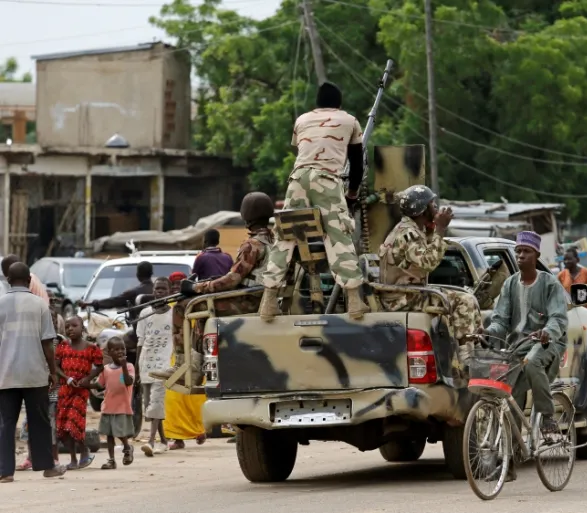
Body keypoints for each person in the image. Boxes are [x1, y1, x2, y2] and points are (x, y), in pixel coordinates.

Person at [258, 81, 369, 322]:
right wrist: (351, 194)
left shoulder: (302, 120)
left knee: (285, 236)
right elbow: (357, 165)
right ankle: (354, 301)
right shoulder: (349, 120)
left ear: (317, 104)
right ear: (339, 103)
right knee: (338, 235)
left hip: (297, 179)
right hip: (327, 180)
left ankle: (268, 301)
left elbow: (302, 151)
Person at [152, 192, 275, 385]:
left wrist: (199, 287)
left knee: (184, 306)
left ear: (246, 215)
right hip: (259, 298)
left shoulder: (252, 245)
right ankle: (194, 368)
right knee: (202, 309)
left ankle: (184, 367)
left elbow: (233, 280)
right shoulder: (274, 241)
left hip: (247, 301)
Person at [378, 185, 483, 367]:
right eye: (431, 204)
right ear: (421, 210)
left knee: (469, 297)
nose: (435, 207)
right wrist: (441, 229)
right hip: (402, 299)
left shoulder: (411, 229)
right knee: (463, 300)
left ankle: (475, 347)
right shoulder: (407, 234)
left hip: (409, 293)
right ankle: (467, 361)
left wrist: (433, 228)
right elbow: (428, 262)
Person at [483, 231, 568, 434]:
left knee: (531, 362)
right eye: (518, 251)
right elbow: (500, 321)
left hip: (548, 343)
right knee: (512, 390)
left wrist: (548, 331)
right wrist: (487, 332)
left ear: (536, 255)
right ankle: (513, 448)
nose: (521, 255)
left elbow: (558, 317)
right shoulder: (510, 284)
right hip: (518, 345)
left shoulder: (549, 283)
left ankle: (547, 416)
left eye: (526, 251)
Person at [0, 262, 67, 482]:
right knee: (40, 421)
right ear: (29, 280)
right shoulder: (40, 304)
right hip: (34, 372)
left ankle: (5, 471)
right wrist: (53, 371)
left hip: (6, 373)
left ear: (7, 280)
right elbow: (48, 342)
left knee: (6, 422)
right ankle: (47, 467)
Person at [163, 272, 208, 451]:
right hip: (175, 356)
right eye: (173, 286)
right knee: (174, 397)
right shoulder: (168, 306)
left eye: (179, 285)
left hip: (194, 354)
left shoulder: (193, 304)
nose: (176, 289)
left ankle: (200, 430)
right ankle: (177, 437)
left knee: (195, 398)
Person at [17, 306, 64, 471]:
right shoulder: (34, 340)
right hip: (34, 387)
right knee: (29, 424)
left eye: (53, 319)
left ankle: (54, 458)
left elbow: (60, 366)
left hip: (52, 392)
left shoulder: (59, 342)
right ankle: (30, 457)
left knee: (50, 427)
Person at [55, 316, 103, 470]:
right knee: (63, 427)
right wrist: (67, 378)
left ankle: (83, 451)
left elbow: (99, 365)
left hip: (80, 392)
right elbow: (55, 367)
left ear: (82, 328)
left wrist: (88, 378)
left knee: (74, 423)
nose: (70, 329)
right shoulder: (63, 346)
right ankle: (73, 458)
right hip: (65, 390)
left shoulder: (91, 348)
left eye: (74, 326)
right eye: (67, 326)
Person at [136, 277, 173, 456]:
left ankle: (151, 441)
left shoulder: (174, 314)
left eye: (163, 289)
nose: (159, 292)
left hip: (164, 362)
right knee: (148, 404)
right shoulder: (145, 313)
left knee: (156, 400)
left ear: (169, 291)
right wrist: (137, 366)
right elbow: (140, 341)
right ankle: (164, 440)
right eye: (157, 289)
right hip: (146, 361)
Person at [98, 337, 136, 469]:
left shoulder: (129, 367)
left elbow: (128, 382)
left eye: (122, 348)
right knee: (109, 434)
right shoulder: (106, 369)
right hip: (108, 406)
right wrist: (85, 383)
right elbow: (99, 384)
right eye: (116, 349)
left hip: (122, 407)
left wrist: (124, 366)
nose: (120, 351)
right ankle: (111, 460)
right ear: (109, 352)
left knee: (120, 433)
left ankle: (127, 447)